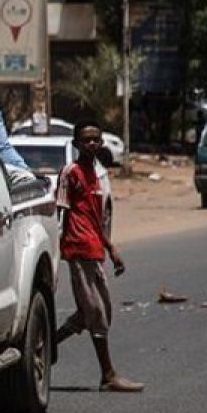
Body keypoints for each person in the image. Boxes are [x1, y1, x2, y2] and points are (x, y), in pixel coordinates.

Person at [54, 121, 142, 393]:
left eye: (96, 139)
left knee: (93, 312)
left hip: (94, 248)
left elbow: (97, 217)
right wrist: (58, 251)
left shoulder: (98, 175)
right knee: (96, 312)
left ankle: (42, 347)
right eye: (86, 140)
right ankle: (108, 374)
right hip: (79, 249)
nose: (91, 144)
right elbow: (60, 213)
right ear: (76, 144)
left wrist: (110, 247)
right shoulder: (71, 173)